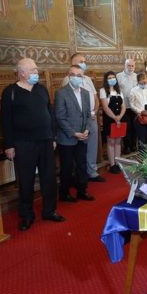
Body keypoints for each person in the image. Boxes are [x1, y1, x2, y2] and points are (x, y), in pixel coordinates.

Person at [0, 58, 65, 231]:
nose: (37, 72)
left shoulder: (41, 89)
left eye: (37, 69)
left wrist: (52, 137)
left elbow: (50, 113)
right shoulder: (10, 92)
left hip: (45, 140)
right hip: (23, 143)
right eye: (33, 70)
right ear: (22, 73)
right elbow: (5, 120)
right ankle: (27, 215)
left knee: (49, 178)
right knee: (26, 181)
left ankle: (49, 211)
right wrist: (9, 145)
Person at [54, 66, 95, 203]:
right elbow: (60, 117)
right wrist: (73, 133)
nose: (76, 77)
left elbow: (88, 115)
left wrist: (87, 130)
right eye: (73, 75)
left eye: (79, 75)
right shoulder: (61, 93)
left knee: (82, 165)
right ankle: (64, 193)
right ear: (68, 76)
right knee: (67, 167)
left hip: (83, 136)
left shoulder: (85, 93)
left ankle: (82, 191)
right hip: (67, 137)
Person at [68, 53, 105, 182]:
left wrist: (94, 111)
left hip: (91, 117)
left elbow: (95, 97)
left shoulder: (88, 79)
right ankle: (80, 173)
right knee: (79, 147)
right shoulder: (69, 80)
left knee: (92, 145)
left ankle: (92, 171)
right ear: (73, 63)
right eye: (80, 61)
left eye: (84, 61)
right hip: (78, 119)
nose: (83, 63)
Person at [100, 71, 126, 173]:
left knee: (118, 141)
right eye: (109, 78)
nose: (112, 79)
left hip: (120, 118)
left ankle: (117, 163)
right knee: (111, 142)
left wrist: (120, 117)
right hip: (110, 119)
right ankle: (112, 165)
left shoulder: (119, 90)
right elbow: (105, 107)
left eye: (113, 77)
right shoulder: (103, 90)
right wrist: (115, 118)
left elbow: (123, 106)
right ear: (106, 80)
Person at [129, 72, 147, 148]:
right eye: (141, 79)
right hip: (140, 117)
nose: (144, 81)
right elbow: (132, 104)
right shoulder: (133, 90)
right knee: (142, 140)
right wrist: (140, 111)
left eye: (145, 78)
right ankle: (143, 155)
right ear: (138, 81)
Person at [116, 59, 138, 153]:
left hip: (134, 106)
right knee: (126, 126)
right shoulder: (119, 76)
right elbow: (116, 90)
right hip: (123, 106)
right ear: (125, 66)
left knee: (134, 125)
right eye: (129, 65)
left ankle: (133, 145)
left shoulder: (136, 76)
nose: (131, 68)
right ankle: (127, 146)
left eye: (132, 66)